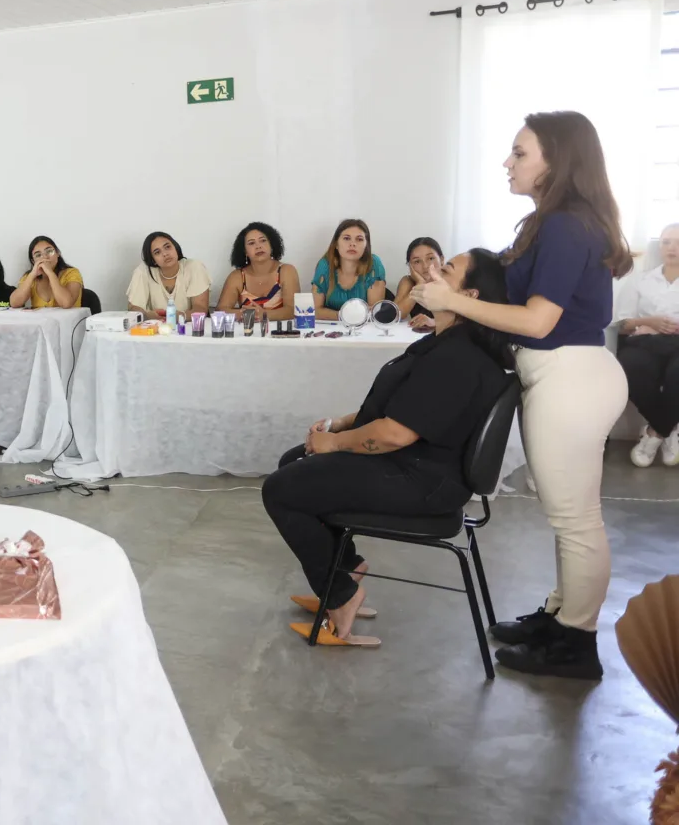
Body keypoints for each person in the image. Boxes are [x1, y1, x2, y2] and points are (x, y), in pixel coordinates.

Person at [414, 110, 631, 680]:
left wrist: (453, 302)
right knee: (571, 518)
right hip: (568, 375)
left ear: (556, 161)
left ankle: (576, 644)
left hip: (569, 376)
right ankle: (562, 619)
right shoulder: (556, 222)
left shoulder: (565, 225)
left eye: (519, 153)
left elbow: (537, 321)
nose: (507, 163)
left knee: (576, 521)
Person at [263, 249, 514, 648]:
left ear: (472, 296)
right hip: (413, 465)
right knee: (294, 463)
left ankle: (342, 596)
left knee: (281, 488)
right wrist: (341, 424)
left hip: (421, 478)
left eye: (445, 269)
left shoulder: (458, 356)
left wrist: (333, 444)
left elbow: (396, 434)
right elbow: (397, 405)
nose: (431, 270)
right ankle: (344, 570)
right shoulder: (442, 339)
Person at [616, 222, 679, 468]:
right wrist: (648, 321)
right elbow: (622, 324)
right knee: (631, 368)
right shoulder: (640, 281)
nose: (672, 248)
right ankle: (669, 429)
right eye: (666, 242)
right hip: (645, 342)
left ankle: (654, 434)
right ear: (659, 246)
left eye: (678, 243)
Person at [216, 223, 301, 320]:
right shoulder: (237, 276)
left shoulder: (286, 271)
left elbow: (292, 310)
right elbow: (220, 310)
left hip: (281, 332)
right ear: (245, 252)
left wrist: (264, 315)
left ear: (271, 245)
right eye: (251, 243)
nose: (258, 246)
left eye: (263, 241)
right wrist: (244, 314)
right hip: (247, 332)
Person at [311, 219, 387, 321]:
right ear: (336, 244)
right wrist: (343, 316)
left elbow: (373, 312)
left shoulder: (373, 264)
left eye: (359, 239)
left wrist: (342, 316)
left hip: (365, 330)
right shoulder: (325, 265)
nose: (352, 244)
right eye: (346, 238)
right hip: (331, 329)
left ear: (366, 246)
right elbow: (315, 310)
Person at [126, 232, 212, 319]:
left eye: (167, 247)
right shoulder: (143, 271)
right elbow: (133, 308)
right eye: (157, 252)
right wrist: (146, 316)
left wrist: (179, 317)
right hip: (155, 328)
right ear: (153, 260)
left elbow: (201, 309)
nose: (165, 254)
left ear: (175, 247)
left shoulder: (194, 267)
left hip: (189, 328)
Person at [10, 236, 82, 309]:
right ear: (33, 261)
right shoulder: (29, 276)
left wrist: (50, 273)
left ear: (58, 253)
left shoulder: (72, 273)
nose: (45, 257)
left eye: (49, 251)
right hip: (40, 320)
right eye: (38, 255)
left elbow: (66, 303)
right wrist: (32, 275)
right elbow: (14, 303)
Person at [395, 237, 444, 330]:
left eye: (430, 258)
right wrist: (420, 284)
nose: (425, 266)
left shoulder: (453, 279)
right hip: (418, 338)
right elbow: (396, 315)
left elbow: (466, 319)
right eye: (417, 261)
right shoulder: (408, 282)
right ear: (410, 266)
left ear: (442, 260)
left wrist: (435, 322)